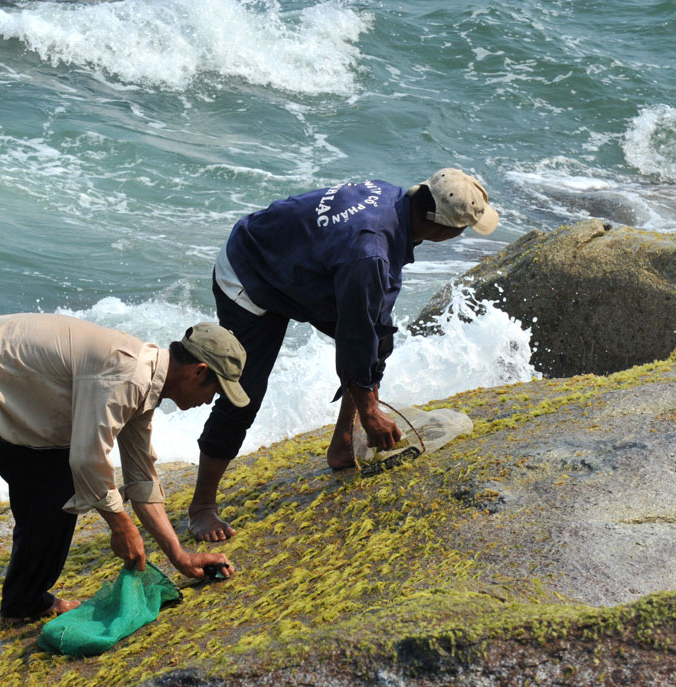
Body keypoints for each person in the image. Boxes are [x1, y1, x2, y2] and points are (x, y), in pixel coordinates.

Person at [0, 314, 246, 687]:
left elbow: (141, 479)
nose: (210, 401)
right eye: (216, 391)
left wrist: (179, 556)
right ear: (199, 372)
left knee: (56, 493)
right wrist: (121, 525)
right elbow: (87, 459)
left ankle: (25, 601)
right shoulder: (126, 374)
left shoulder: (144, 386)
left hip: (11, 387)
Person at [189, 167, 499, 542]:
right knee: (244, 395)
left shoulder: (395, 201)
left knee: (377, 339)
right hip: (250, 270)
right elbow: (354, 334)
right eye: (463, 229)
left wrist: (369, 390)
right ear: (444, 229)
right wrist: (370, 412)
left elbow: (368, 325)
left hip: (301, 263)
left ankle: (342, 443)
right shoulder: (370, 253)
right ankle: (201, 507)